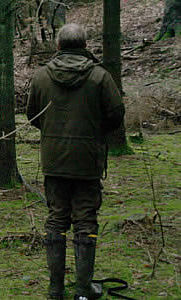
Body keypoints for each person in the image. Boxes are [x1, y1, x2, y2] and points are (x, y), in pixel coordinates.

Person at [26, 23, 125, 300]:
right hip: (88, 161)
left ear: (58, 46)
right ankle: (83, 291)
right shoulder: (100, 77)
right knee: (86, 222)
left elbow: (32, 114)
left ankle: (55, 289)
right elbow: (116, 115)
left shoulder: (42, 76)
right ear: (84, 45)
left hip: (54, 160)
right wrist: (94, 131)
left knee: (56, 219)